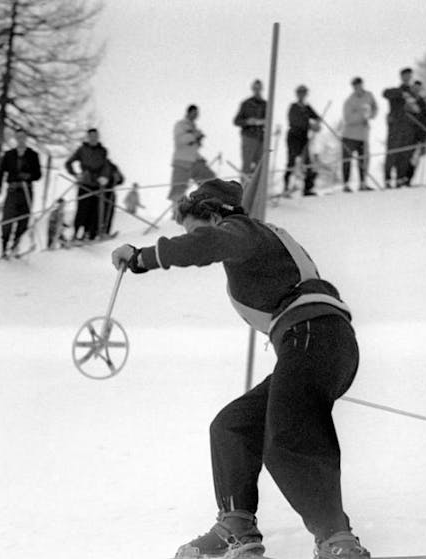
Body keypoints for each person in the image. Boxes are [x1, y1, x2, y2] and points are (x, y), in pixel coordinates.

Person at [110, 178, 368, 559]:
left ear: (214, 215)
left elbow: (211, 243)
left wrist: (143, 257)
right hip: (315, 345)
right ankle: (236, 526)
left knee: (288, 439)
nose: (194, 239)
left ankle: (336, 539)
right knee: (233, 425)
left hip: (314, 338)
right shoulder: (256, 239)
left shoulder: (243, 230)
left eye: (195, 229)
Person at [0, 129, 42, 256]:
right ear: (15, 138)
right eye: (18, 137)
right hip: (12, 191)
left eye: (23, 137)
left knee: (23, 221)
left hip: (26, 191)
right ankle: (4, 249)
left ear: (26, 138)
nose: (20, 139)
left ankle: (15, 246)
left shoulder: (33, 155)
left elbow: (38, 175)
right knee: (7, 221)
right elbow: (0, 172)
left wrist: (29, 176)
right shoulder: (9, 155)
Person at [170, 105, 217, 217]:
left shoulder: (194, 127)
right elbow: (181, 140)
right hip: (182, 160)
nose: (196, 115)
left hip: (195, 160)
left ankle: (209, 206)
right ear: (189, 112)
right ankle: (176, 214)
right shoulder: (180, 125)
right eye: (194, 113)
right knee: (179, 189)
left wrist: (199, 138)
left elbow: (194, 144)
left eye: (197, 113)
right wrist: (195, 135)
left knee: (210, 181)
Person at [65, 128, 111, 241]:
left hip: (97, 185)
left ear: (98, 137)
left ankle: (88, 233)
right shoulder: (82, 149)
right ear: (88, 137)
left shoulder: (102, 151)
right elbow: (69, 162)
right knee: (82, 210)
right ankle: (76, 234)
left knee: (94, 211)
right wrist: (76, 174)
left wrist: (104, 177)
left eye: (95, 135)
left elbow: (106, 166)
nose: (93, 138)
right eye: (91, 136)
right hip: (84, 183)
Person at [382, 68, 419, 187]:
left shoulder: (414, 94)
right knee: (392, 153)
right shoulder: (396, 91)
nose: (407, 77)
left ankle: (400, 178)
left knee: (405, 154)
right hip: (396, 127)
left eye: (409, 75)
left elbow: (419, 109)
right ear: (401, 77)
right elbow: (385, 93)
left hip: (409, 128)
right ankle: (387, 179)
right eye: (405, 75)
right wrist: (402, 94)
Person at [341, 77, 378, 192]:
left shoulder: (369, 95)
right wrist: (361, 116)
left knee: (364, 159)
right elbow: (348, 118)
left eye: (359, 85)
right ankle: (346, 185)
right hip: (349, 135)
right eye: (355, 86)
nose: (357, 87)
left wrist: (371, 115)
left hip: (363, 135)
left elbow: (375, 108)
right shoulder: (349, 101)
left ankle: (363, 183)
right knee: (347, 160)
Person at [284, 85, 321, 196]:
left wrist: (317, 123)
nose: (302, 95)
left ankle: (307, 188)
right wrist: (310, 125)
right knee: (291, 161)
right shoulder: (293, 107)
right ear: (297, 94)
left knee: (307, 162)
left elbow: (317, 117)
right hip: (294, 137)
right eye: (300, 92)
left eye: (304, 93)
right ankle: (286, 187)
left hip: (304, 138)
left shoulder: (307, 107)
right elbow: (295, 122)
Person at [233, 79, 267, 178]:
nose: (257, 90)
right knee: (247, 165)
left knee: (260, 165)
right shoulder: (246, 104)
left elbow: (269, 120)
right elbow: (237, 121)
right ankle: (244, 190)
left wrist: (263, 122)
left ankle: (258, 190)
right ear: (252, 89)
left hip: (261, 138)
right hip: (249, 137)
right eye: (255, 88)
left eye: (259, 88)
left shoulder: (265, 104)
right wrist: (248, 121)